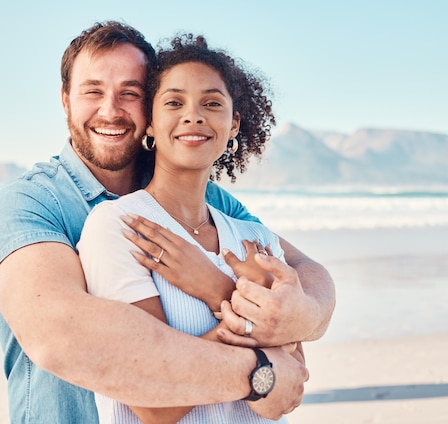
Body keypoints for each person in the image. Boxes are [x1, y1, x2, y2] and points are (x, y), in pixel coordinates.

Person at [0, 21, 335, 423]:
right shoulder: (30, 202)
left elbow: (305, 271)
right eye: (92, 91)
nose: (110, 110)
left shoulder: (211, 202)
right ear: (65, 100)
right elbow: (61, 337)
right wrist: (259, 371)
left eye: (129, 93)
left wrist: (291, 312)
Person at [78, 33, 303, 423]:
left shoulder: (259, 240)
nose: (193, 115)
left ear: (233, 124)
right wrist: (246, 313)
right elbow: (153, 405)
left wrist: (219, 293)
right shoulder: (119, 228)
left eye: (212, 103)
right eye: (174, 102)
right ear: (151, 121)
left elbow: (286, 393)